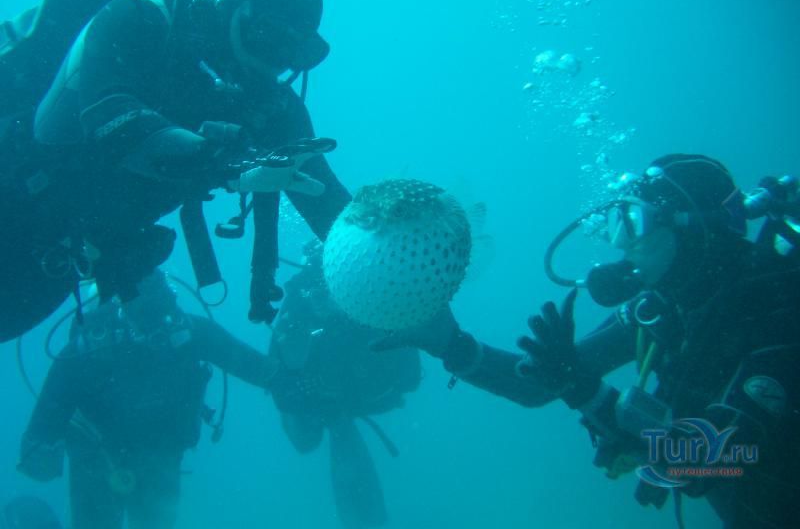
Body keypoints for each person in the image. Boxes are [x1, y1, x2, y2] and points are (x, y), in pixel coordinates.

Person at [389, 155, 800, 528]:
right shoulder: (660, 309)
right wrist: (448, 342)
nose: (621, 243)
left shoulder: (779, 314)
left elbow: (713, 459)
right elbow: (538, 385)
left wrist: (588, 394)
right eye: (616, 222)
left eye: (635, 223)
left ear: (693, 230)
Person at [0, 0, 351, 342]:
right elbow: (111, 120)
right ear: (231, 7)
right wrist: (222, 162)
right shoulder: (137, 23)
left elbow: (331, 209)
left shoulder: (272, 109)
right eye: (270, 37)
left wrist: (419, 309)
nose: (278, 63)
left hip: (63, 261)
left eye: (298, 53)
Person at [17, 269, 279, 529]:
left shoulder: (185, 332)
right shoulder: (94, 346)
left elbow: (258, 368)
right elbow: (257, 368)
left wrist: (285, 376)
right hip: (104, 458)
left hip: (151, 456)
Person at [269, 243, 422, 528]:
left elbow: (409, 375)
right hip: (323, 403)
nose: (323, 300)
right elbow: (278, 374)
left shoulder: (366, 301)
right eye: (317, 293)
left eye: (329, 292)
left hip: (364, 393)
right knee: (307, 440)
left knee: (330, 435)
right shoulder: (298, 307)